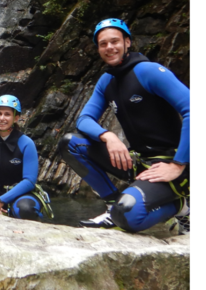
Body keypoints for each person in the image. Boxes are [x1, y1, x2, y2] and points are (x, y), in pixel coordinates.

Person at [57, 18, 190, 232]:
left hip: (171, 164)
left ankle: (182, 206)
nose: (109, 48)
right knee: (70, 143)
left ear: (127, 42)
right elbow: (83, 120)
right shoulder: (106, 81)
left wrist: (178, 164)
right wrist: (108, 136)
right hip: (139, 162)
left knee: (127, 214)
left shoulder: (149, 71)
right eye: (103, 44)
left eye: (115, 41)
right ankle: (111, 206)